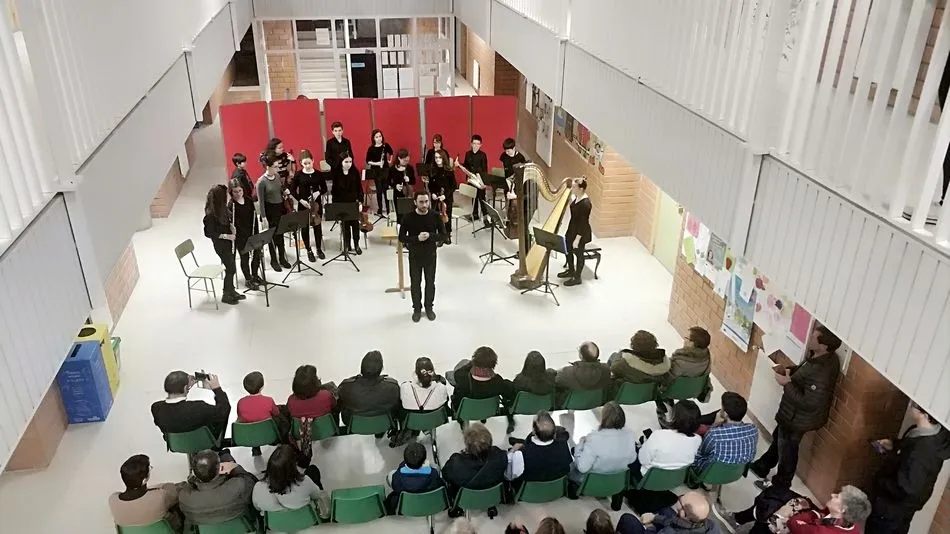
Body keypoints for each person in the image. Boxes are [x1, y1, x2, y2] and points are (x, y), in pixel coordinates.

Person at [749, 325, 841, 490]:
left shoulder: (823, 372)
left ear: (824, 345)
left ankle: (780, 485)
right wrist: (792, 371)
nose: (809, 338)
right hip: (791, 414)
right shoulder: (819, 356)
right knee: (779, 437)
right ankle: (762, 466)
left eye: (814, 338)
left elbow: (809, 402)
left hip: (798, 418)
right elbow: (805, 371)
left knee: (788, 451)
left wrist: (787, 384)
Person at [865, 403, 950, 533]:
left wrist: (880, 483)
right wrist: (895, 445)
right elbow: (909, 449)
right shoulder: (926, 432)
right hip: (895, 508)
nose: (910, 405)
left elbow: (909, 489)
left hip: (892, 510)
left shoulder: (922, 452)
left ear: (925, 414)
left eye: (914, 405)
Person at [730, 485, 871, 534]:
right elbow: (822, 513)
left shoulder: (821, 532)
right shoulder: (852, 525)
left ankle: (740, 519)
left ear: (843, 509)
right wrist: (815, 514)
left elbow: (793, 523)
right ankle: (742, 518)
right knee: (777, 494)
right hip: (811, 522)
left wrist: (811, 515)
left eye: (837, 497)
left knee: (770, 518)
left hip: (802, 527)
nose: (833, 494)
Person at [178, 450, 258, 531]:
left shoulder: (184, 497)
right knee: (225, 454)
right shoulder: (239, 485)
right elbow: (252, 481)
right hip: (242, 529)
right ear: (220, 468)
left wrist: (192, 481)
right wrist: (235, 467)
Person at [398, 190, 447, 322]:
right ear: (415, 202)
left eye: (426, 201)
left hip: (430, 254)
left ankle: (429, 307)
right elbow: (402, 238)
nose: (424, 205)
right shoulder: (407, 217)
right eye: (421, 202)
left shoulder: (435, 216)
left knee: (430, 282)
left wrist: (431, 236)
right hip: (415, 255)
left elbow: (444, 235)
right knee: (415, 283)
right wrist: (416, 239)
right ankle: (417, 309)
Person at [569, 401, 638, 492]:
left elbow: (582, 468)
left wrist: (580, 445)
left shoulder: (594, 438)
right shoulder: (630, 434)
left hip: (593, 481)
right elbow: (632, 459)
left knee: (572, 462)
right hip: (618, 481)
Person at [443, 423, 508, 518]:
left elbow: (445, 475)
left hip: (464, 498)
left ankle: (456, 508)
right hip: (492, 496)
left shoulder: (456, 463)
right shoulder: (500, 456)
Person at [109, 454, 185, 532]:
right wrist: (162, 486)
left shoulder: (113, 500)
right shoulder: (159, 497)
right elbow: (174, 493)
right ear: (144, 480)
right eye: (149, 468)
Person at [151, 371, 230, 443]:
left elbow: (176, 411)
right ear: (185, 388)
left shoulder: (156, 408)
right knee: (218, 416)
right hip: (203, 443)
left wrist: (186, 386)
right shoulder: (199, 407)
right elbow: (225, 409)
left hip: (177, 444)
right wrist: (217, 389)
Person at [505, 411, 573, 492]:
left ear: (533, 431)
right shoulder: (565, 445)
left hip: (529, 493)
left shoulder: (521, 454)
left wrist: (512, 451)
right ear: (555, 431)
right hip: (557, 490)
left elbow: (508, 476)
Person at [658, 326, 713, 423]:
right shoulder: (707, 357)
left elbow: (667, 379)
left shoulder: (681, 360)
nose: (684, 339)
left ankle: (667, 409)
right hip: (695, 391)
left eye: (686, 338)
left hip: (674, 391)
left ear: (692, 343)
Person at [338, 351, 401, 435]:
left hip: (354, 424)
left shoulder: (346, 386)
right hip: (383, 423)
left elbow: (339, 406)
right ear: (381, 368)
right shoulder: (393, 386)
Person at [636, 400, 703, 479]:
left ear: (674, 417)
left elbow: (643, 460)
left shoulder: (658, 435)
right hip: (677, 478)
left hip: (651, 479)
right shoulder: (698, 440)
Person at [693, 392, 758, 472]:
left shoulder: (714, 435)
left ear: (726, 414)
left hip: (711, 472)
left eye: (722, 409)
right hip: (737, 472)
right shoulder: (753, 429)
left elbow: (702, 453)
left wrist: (714, 426)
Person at [252, 444, 323, 515]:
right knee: (313, 470)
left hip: (276, 525)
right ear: (293, 466)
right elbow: (317, 495)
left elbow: (257, 507)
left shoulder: (258, 487)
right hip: (305, 519)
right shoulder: (305, 481)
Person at [202, 185, 243, 305]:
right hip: (221, 245)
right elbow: (209, 233)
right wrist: (227, 236)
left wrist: (231, 227)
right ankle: (226, 294)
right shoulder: (210, 215)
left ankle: (232, 291)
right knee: (231, 269)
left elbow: (225, 223)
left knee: (232, 268)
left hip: (228, 243)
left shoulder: (222, 209)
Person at [449, 347, 513, 418]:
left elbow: (457, 373)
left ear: (474, 361)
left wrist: (470, 364)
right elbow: (510, 392)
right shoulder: (498, 380)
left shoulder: (463, 377)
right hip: (488, 411)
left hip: (466, 411)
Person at [617, 491, 721, 534]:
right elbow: (676, 522)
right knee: (665, 510)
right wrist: (654, 518)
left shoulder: (669, 531)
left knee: (627, 519)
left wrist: (651, 529)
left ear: (683, 514)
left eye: (681, 499)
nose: (678, 497)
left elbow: (673, 525)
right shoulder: (712, 526)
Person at [385, 442, 445, 514]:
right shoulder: (434, 474)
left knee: (390, 475)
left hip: (407, 507)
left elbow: (393, 483)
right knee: (435, 466)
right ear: (424, 460)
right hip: (429, 504)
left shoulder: (398, 478)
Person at [256, 153, 292, 271]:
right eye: (275, 167)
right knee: (272, 237)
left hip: (280, 208)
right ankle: (274, 260)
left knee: (280, 235)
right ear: (268, 167)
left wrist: (285, 191)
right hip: (270, 211)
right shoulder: (261, 182)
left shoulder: (276, 176)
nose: (277, 169)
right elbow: (261, 201)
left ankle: (282, 258)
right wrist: (263, 217)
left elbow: (280, 188)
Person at [290, 149, 327, 261]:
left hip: (316, 205)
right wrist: (300, 200)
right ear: (301, 163)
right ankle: (309, 250)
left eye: (309, 163)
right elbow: (292, 190)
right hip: (304, 205)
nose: (307, 165)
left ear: (313, 161)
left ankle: (319, 249)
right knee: (305, 228)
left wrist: (318, 192)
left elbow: (324, 188)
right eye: (304, 163)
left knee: (317, 226)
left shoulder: (318, 174)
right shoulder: (298, 175)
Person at [228, 178, 263, 291]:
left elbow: (254, 218)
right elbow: (233, 224)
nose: (238, 194)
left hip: (252, 233)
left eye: (240, 191)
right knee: (245, 257)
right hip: (241, 237)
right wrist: (242, 235)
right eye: (235, 192)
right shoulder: (231, 205)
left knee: (257, 254)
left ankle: (255, 274)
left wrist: (256, 234)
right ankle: (248, 279)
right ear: (231, 192)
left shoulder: (248, 200)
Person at [558, 178, 592, 286]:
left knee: (579, 253)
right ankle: (571, 270)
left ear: (581, 189)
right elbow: (574, 207)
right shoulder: (577, 197)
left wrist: (577, 239)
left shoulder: (586, 204)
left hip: (581, 232)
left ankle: (577, 278)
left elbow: (583, 223)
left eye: (574, 187)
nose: (572, 189)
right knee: (568, 249)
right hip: (572, 228)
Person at [236, 371, 279, 457]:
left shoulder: (241, 402)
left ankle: (255, 448)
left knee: (251, 422)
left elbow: (240, 417)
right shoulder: (269, 400)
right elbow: (277, 413)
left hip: (249, 434)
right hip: (268, 433)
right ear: (262, 386)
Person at [555, 341, 612, 406]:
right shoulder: (606, 371)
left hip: (571, 407)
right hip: (596, 405)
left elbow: (557, 380)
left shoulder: (566, 373)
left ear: (581, 355)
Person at [329, 152, 363, 255]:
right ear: (341, 162)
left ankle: (356, 244)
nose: (349, 164)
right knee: (345, 226)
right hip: (341, 203)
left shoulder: (355, 172)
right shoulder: (336, 173)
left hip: (353, 202)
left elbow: (359, 188)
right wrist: (336, 207)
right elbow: (334, 191)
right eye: (346, 162)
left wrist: (360, 202)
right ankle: (347, 244)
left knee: (355, 225)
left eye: (350, 162)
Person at [430, 149, 457, 244]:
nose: (437, 159)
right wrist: (432, 193)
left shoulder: (449, 171)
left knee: (447, 216)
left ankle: (448, 235)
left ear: (443, 158)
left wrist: (445, 196)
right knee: (437, 217)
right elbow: (430, 185)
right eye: (436, 157)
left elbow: (453, 186)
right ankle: (440, 236)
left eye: (440, 157)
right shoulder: (433, 171)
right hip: (436, 198)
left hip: (447, 198)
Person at [460, 134, 489, 221]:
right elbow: (466, 165)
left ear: (481, 145)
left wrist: (483, 182)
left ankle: (485, 217)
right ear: (471, 144)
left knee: (482, 198)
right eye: (474, 143)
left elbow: (484, 169)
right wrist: (459, 165)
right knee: (474, 198)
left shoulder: (483, 155)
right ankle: (475, 214)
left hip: (479, 180)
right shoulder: (467, 154)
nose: (476, 146)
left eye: (478, 144)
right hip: (471, 179)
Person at [365, 129, 393, 216]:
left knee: (386, 190)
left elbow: (391, 153)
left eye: (380, 136)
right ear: (373, 138)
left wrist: (389, 160)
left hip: (385, 170)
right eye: (376, 137)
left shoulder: (385, 145)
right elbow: (368, 161)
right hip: (376, 171)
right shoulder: (371, 148)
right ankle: (380, 210)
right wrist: (377, 163)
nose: (379, 138)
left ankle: (388, 210)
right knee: (379, 191)